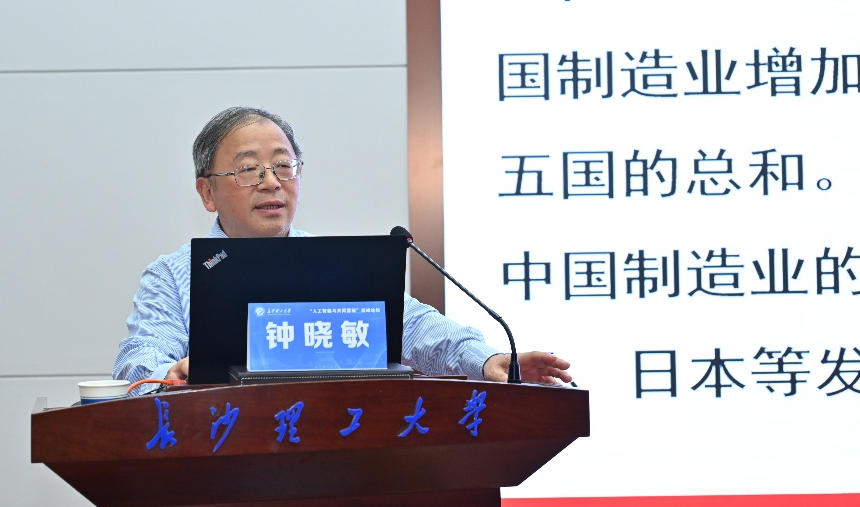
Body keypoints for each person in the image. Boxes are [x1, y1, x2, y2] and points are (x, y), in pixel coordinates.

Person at [114, 106, 572, 389]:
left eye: (284, 166)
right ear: (207, 192)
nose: (272, 182)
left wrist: (486, 360)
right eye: (249, 170)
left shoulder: (333, 263)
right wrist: (169, 374)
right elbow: (140, 358)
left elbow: (414, 328)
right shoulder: (174, 275)